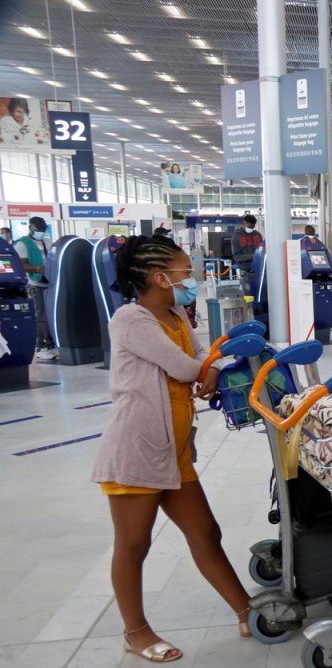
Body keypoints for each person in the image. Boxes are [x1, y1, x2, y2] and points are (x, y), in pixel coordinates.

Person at [91, 235, 252, 663]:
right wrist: (209, 367)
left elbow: (205, 355)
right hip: (136, 451)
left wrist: (212, 366)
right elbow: (185, 366)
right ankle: (136, 631)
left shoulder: (178, 314)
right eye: (184, 270)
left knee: (205, 533)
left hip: (174, 450)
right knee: (134, 544)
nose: (191, 277)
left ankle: (247, 611)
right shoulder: (132, 319)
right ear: (160, 277)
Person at [14, 217, 56, 361]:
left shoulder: (48, 242)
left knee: (50, 315)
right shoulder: (22, 244)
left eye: (44, 231)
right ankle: (40, 346)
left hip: (49, 282)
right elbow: (21, 265)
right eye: (39, 231)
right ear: (31, 228)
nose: (41, 233)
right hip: (34, 283)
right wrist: (38, 268)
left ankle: (51, 345)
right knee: (40, 316)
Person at [231, 214, 262, 283]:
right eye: (249, 227)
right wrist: (252, 256)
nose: (251, 229)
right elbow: (237, 256)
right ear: (245, 223)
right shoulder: (236, 237)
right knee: (247, 291)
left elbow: (261, 250)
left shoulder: (257, 235)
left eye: (252, 227)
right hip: (245, 270)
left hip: (258, 268)